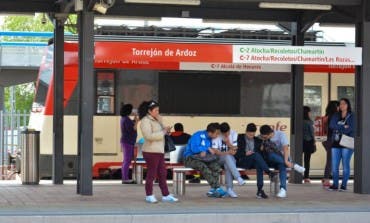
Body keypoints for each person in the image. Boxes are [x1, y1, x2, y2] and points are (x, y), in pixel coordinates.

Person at [138, 100, 178, 203]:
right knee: (151, 174)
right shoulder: (145, 121)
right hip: (150, 151)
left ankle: (166, 194)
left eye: (158, 110)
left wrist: (166, 130)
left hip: (159, 150)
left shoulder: (158, 119)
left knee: (162, 173)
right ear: (149, 111)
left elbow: (161, 132)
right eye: (156, 110)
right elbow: (148, 136)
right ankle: (149, 195)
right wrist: (163, 132)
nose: (157, 112)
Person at [259, 125, 305, 198]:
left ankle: (283, 189)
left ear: (270, 133)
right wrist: (262, 143)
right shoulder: (261, 137)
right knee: (271, 155)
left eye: (265, 137)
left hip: (281, 158)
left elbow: (285, 148)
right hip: (268, 160)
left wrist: (286, 161)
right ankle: (294, 165)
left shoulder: (280, 135)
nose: (264, 138)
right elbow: (260, 150)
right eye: (263, 136)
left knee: (282, 165)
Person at [183, 123, 227, 198]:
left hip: (203, 159)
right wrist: (206, 148)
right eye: (216, 133)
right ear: (210, 132)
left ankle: (212, 190)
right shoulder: (197, 135)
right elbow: (194, 148)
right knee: (203, 167)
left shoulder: (211, 139)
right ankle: (217, 187)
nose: (217, 135)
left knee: (216, 167)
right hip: (190, 158)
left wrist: (211, 150)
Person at [235, 123, 275, 199]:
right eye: (249, 135)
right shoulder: (239, 138)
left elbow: (261, 155)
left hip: (253, 161)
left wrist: (262, 149)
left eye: (253, 135)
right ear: (246, 132)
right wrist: (245, 153)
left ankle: (260, 190)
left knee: (258, 163)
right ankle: (268, 172)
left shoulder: (257, 140)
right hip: (243, 160)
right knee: (256, 155)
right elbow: (235, 152)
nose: (251, 137)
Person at [212, 122, 245, 198]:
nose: (226, 135)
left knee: (228, 165)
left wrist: (228, 143)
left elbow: (235, 150)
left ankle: (229, 189)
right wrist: (227, 152)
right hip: (218, 158)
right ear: (220, 132)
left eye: (228, 133)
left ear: (230, 130)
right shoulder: (217, 135)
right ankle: (238, 178)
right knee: (227, 157)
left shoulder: (234, 134)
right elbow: (215, 151)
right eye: (224, 134)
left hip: (230, 159)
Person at [328, 98, 355, 192]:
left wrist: (339, 127)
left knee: (345, 165)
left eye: (344, 103)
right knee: (334, 166)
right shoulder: (336, 115)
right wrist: (343, 126)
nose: (342, 105)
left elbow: (350, 129)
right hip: (335, 143)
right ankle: (335, 185)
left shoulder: (352, 116)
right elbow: (331, 125)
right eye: (340, 104)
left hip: (347, 143)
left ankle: (344, 185)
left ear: (348, 105)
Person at [322, 100, 339, 187]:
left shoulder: (327, 116)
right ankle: (326, 179)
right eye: (338, 106)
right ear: (335, 107)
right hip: (330, 140)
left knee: (330, 159)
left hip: (325, 140)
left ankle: (325, 178)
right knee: (330, 160)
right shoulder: (334, 116)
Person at [120, 103, 138, 184]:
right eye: (131, 109)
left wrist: (134, 120)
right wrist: (136, 122)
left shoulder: (124, 118)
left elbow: (130, 126)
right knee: (127, 160)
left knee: (126, 160)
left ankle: (125, 178)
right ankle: (125, 179)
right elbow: (132, 129)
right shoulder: (126, 119)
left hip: (127, 141)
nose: (132, 111)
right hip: (128, 142)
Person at [302, 106, 316, 183]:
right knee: (307, 160)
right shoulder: (309, 122)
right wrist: (314, 141)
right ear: (307, 113)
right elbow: (312, 133)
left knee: (298, 160)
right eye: (309, 112)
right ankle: (306, 177)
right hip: (308, 142)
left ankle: (296, 175)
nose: (310, 113)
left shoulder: (298, 121)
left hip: (300, 142)